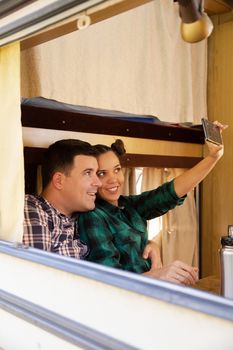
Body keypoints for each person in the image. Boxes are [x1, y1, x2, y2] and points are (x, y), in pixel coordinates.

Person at [78, 122, 227, 285]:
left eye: (117, 169)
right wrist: (158, 275)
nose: (113, 179)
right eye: (102, 173)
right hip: (131, 302)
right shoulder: (92, 217)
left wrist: (213, 157)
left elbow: (170, 193)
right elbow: (110, 282)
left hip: (153, 292)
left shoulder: (127, 205)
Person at [23, 138, 160, 263]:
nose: (98, 183)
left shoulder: (84, 216)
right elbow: (36, 279)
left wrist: (148, 244)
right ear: (59, 180)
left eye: (96, 173)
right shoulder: (33, 210)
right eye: (88, 173)